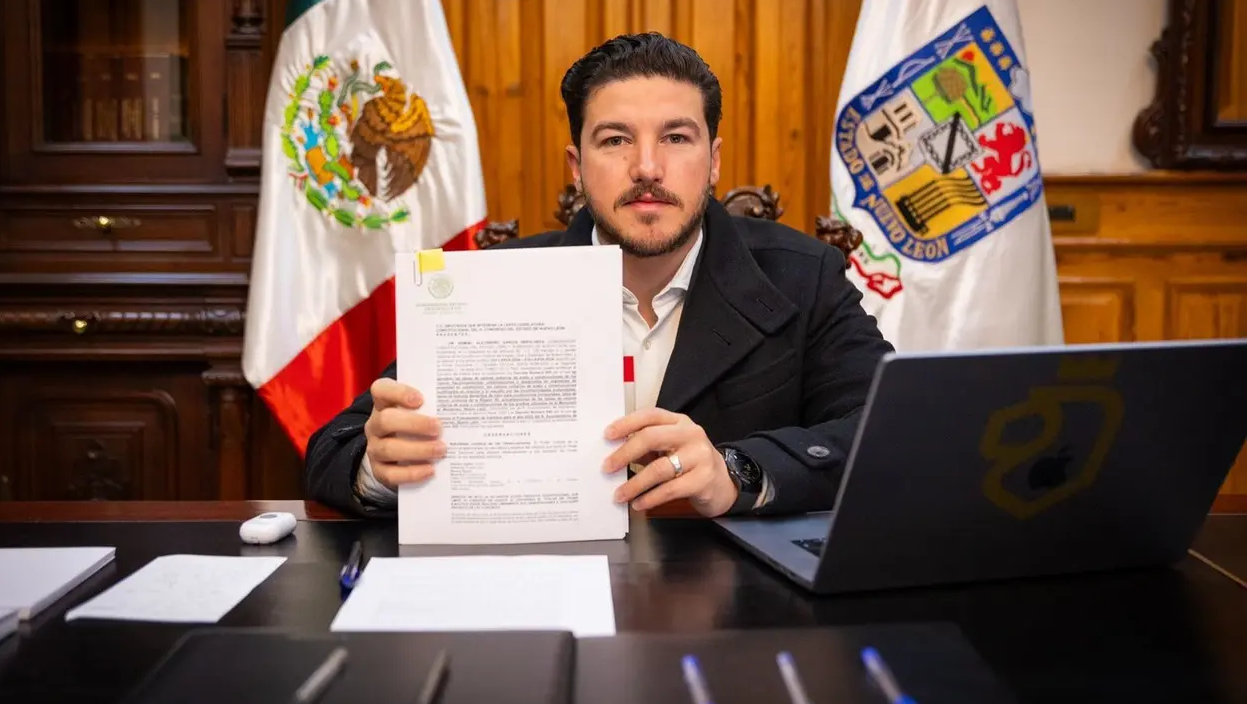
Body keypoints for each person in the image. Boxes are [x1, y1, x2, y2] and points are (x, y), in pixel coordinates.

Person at [304, 32, 894, 518]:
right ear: (577, 166)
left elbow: (887, 430)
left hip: (735, 604)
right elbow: (332, 450)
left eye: (676, 137)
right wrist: (377, 470)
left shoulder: (804, 275)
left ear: (713, 160)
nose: (647, 166)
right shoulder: (490, 286)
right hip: (541, 595)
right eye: (615, 140)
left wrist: (737, 470)